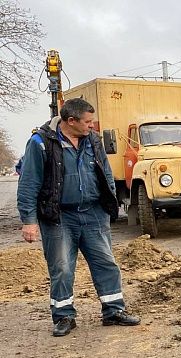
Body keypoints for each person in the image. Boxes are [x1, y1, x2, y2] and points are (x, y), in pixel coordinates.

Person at [17, 98, 140, 337]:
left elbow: (104, 171)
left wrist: (109, 206)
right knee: (61, 267)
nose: (92, 126)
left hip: (94, 213)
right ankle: (64, 316)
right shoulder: (40, 142)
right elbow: (29, 183)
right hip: (59, 216)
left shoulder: (92, 140)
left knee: (106, 263)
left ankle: (114, 311)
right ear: (70, 121)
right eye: (87, 122)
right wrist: (29, 220)